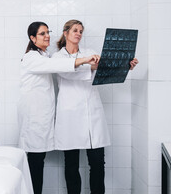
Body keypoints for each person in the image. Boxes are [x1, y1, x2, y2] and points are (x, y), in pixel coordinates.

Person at [52, 19, 138, 194]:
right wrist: (89, 65)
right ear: (66, 33)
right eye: (75, 30)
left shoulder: (90, 53)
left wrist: (126, 66)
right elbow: (69, 72)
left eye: (81, 31)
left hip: (93, 113)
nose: (78, 33)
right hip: (70, 116)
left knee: (98, 162)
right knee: (71, 164)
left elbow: (105, 69)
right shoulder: (57, 57)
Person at [17, 21, 99, 194]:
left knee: (39, 163)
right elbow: (56, 66)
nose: (47, 36)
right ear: (32, 38)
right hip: (34, 120)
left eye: (48, 32)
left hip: (44, 119)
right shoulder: (31, 57)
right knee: (35, 165)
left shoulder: (45, 56)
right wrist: (83, 60)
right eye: (42, 33)